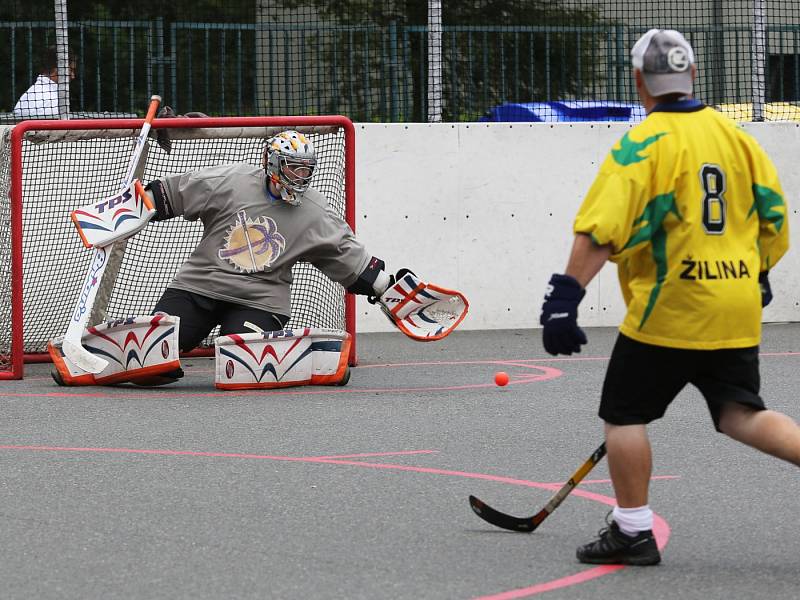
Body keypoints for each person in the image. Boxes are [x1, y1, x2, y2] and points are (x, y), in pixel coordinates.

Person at [539, 28, 800, 566]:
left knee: (624, 414)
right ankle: (629, 525)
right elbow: (774, 219)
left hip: (671, 305)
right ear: (693, 75)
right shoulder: (737, 138)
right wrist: (759, 271)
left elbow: (602, 230)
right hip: (734, 301)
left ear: (640, 81)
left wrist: (565, 295)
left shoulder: (643, 143)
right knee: (739, 413)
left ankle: (632, 529)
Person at [143, 130, 391, 380]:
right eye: (294, 167)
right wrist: (131, 209)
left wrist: (387, 288)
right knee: (151, 356)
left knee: (241, 365)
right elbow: (173, 194)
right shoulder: (230, 181)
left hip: (260, 300)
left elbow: (348, 257)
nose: (301, 176)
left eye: (306, 170)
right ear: (271, 162)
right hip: (199, 287)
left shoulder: (315, 212)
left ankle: (310, 358)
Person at [13, 46, 76, 119]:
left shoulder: (29, 94)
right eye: (71, 70)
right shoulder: (53, 101)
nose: (73, 76)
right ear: (58, 70)